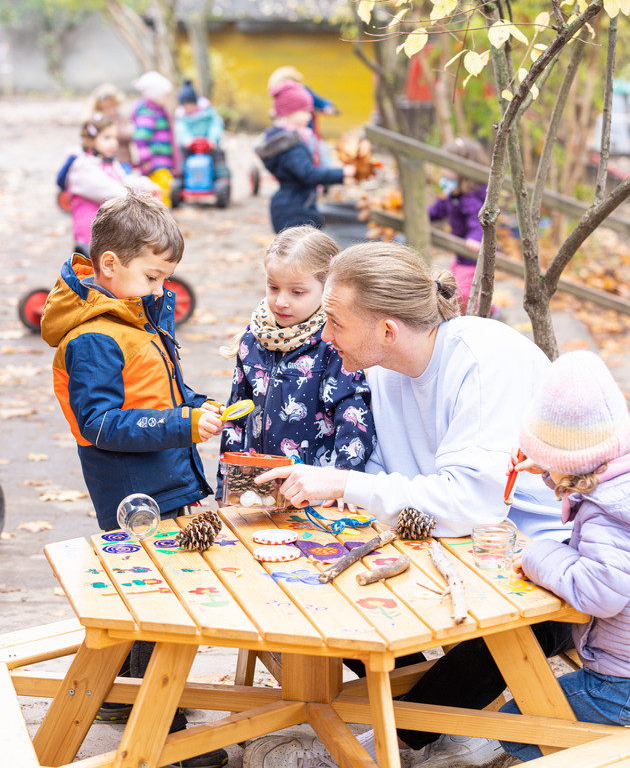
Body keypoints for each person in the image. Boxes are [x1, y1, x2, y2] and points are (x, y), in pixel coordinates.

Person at [246, 242, 570, 768]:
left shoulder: (485, 363)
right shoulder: (383, 365)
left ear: (388, 329)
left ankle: (394, 741)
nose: (324, 337)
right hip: (451, 540)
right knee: (323, 578)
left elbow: (471, 503)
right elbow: (384, 471)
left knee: (521, 624)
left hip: (549, 549)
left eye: (334, 322)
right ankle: (447, 731)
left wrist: (343, 484)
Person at [40, 191, 228, 768]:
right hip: (134, 489)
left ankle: (123, 700)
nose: (159, 289)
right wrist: (181, 423)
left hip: (167, 474)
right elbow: (100, 423)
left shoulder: (133, 313)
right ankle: (162, 736)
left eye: (166, 277)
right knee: (158, 605)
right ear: (110, 266)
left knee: (152, 595)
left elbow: (157, 393)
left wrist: (197, 407)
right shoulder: (94, 336)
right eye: (152, 276)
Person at [498, 350, 630, 762]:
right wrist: (555, 466)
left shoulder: (607, 513)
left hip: (620, 687)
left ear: (568, 464)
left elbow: (601, 591)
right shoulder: (618, 484)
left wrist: (539, 555)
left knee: (513, 726)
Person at [217, 226, 376, 497]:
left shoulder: (334, 346)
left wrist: (344, 484)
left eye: (297, 292)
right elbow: (236, 416)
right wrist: (227, 485)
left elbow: (353, 420)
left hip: (314, 492)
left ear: (328, 289)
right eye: (273, 287)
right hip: (258, 488)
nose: (281, 301)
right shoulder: (252, 341)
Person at [255, 79, 354, 233]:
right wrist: (342, 173)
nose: (310, 116)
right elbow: (308, 174)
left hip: (294, 205)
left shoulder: (286, 140)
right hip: (295, 212)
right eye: (306, 111)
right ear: (290, 113)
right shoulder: (290, 146)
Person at [66, 114, 157, 256]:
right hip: (91, 232)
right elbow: (108, 190)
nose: (114, 143)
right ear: (90, 140)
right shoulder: (83, 167)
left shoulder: (108, 162)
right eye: (107, 138)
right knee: (97, 270)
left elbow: (123, 180)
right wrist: (138, 197)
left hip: (109, 229)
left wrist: (145, 184)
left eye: (115, 138)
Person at [428, 136, 490, 314]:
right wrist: (424, 214)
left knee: (463, 290)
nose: (443, 169)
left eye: (448, 165)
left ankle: (485, 311)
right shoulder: (453, 192)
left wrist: (475, 238)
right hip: (461, 254)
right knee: (458, 286)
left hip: (472, 254)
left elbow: (478, 219)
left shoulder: (470, 197)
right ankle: (486, 309)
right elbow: (438, 210)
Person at [267, 66, 338, 166]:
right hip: (286, 132)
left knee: (321, 152)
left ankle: (325, 171)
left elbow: (320, 102)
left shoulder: (303, 91)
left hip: (306, 131)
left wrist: (327, 107)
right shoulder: (278, 94)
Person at [131, 70, 179, 205]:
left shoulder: (158, 110)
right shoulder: (148, 112)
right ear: (154, 95)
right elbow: (141, 138)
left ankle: (163, 214)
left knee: (164, 186)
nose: (166, 99)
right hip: (155, 160)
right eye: (165, 95)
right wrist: (145, 158)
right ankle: (162, 215)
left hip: (162, 159)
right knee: (161, 188)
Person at [87, 82, 136, 170]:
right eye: (104, 108)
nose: (108, 111)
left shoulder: (121, 119)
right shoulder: (97, 121)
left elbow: (129, 134)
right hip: (102, 161)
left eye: (111, 107)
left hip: (123, 160)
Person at [174, 79, 225, 151]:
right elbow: (181, 130)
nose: (188, 108)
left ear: (195, 103)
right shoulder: (181, 117)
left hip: (209, 144)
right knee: (180, 153)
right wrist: (188, 141)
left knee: (219, 153)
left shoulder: (208, 113)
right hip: (190, 147)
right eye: (185, 106)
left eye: (190, 104)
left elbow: (216, 125)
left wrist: (212, 139)